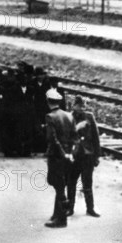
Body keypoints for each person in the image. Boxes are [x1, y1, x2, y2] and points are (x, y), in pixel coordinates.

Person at [44, 89, 78, 228]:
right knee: (61, 184)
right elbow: (75, 138)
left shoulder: (50, 116)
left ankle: (61, 219)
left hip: (56, 155)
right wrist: (70, 153)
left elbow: (52, 139)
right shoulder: (69, 116)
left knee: (57, 185)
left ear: (48, 102)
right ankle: (56, 214)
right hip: (68, 156)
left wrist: (62, 153)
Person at [67, 96, 101, 217]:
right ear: (73, 106)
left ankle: (90, 208)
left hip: (88, 155)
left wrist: (97, 155)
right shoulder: (68, 118)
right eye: (79, 106)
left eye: (83, 106)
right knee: (71, 182)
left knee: (87, 183)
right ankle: (69, 208)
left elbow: (96, 137)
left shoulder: (89, 116)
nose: (81, 108)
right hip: (74, 156)